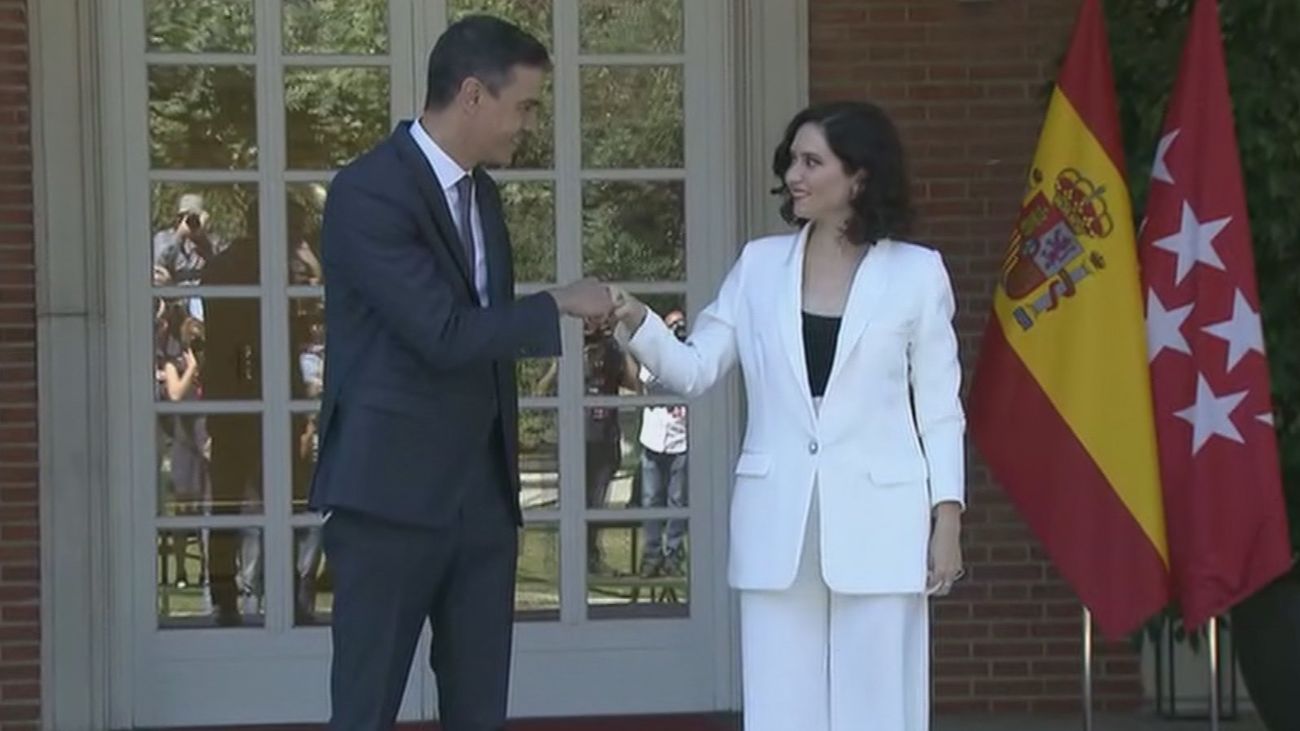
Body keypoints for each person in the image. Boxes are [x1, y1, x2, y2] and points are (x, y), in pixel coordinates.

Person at [610, 100, 965, 731]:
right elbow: (695, 368)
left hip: (882, 521)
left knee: (879, 710)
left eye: (811, 162)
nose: (793, 176)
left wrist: (948, 519)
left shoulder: (917, 273)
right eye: (791, 161)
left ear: (858, 175)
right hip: (778, 525)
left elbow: (940, 409)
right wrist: (636, 319)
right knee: (780, 711)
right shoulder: (759, 266)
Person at [308, 15, 614, 731]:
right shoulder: (368, 191)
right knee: (365, 710)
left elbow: (482, 331)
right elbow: (442, 334)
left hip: (482, 501)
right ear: (473, 94)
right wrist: (558, 304)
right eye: (525, 105)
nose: (529, 124)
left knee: (480, 712)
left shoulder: (484, 194)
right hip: (386, 500)